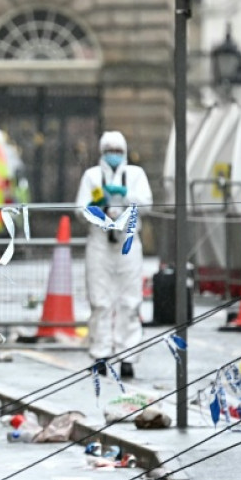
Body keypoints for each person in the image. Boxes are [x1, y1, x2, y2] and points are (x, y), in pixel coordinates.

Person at [74, 131, 153, 378]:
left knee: (130, 300)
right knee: (100, 300)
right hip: (100, 240)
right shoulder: (92, 177)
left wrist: (124, 196)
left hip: (128, 240)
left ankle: (127, 355)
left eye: (118, 150)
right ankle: (101, 354)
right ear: (101, 151)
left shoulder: (136, 175)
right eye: (109, 149)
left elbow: (147, 204)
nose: (113, 155)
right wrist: (98, 208)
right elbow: (80, 209)